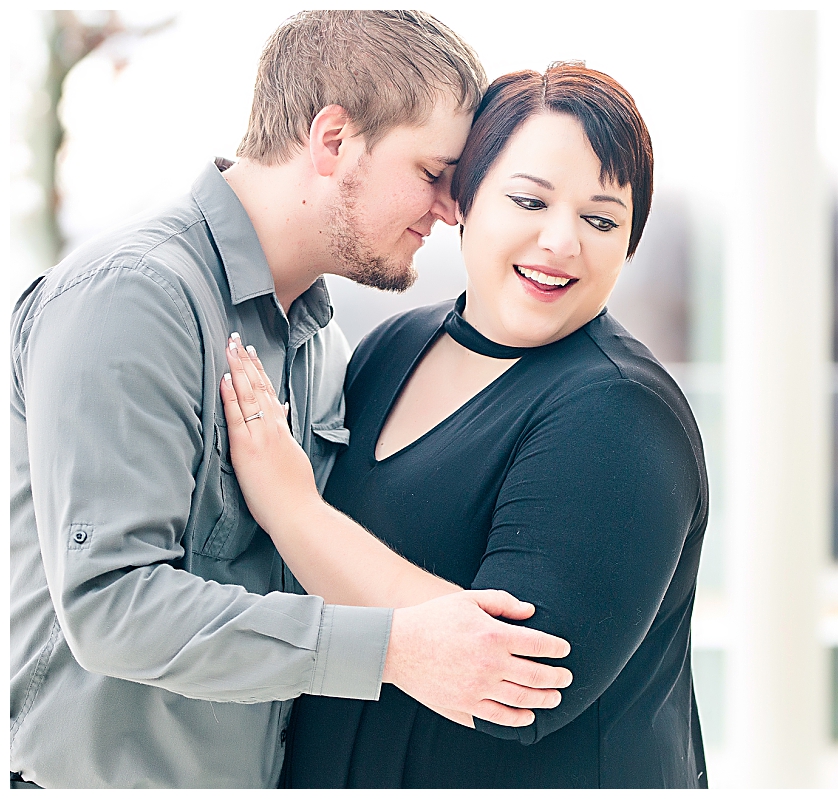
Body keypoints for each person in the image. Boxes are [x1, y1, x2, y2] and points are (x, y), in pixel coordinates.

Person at [9, 12, 573, 790]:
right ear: (333, 140)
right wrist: (393, 648)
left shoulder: (320, 340)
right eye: (431, 171)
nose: (451, 209)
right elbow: (112, 604)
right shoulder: (135, 297)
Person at [219, 63, 710, 789]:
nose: (561, 241)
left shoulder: (618, 413)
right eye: (528, 200)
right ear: (462, 199)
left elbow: (515, 684)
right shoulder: (391, 349)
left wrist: (291, 508)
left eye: (600, 219)